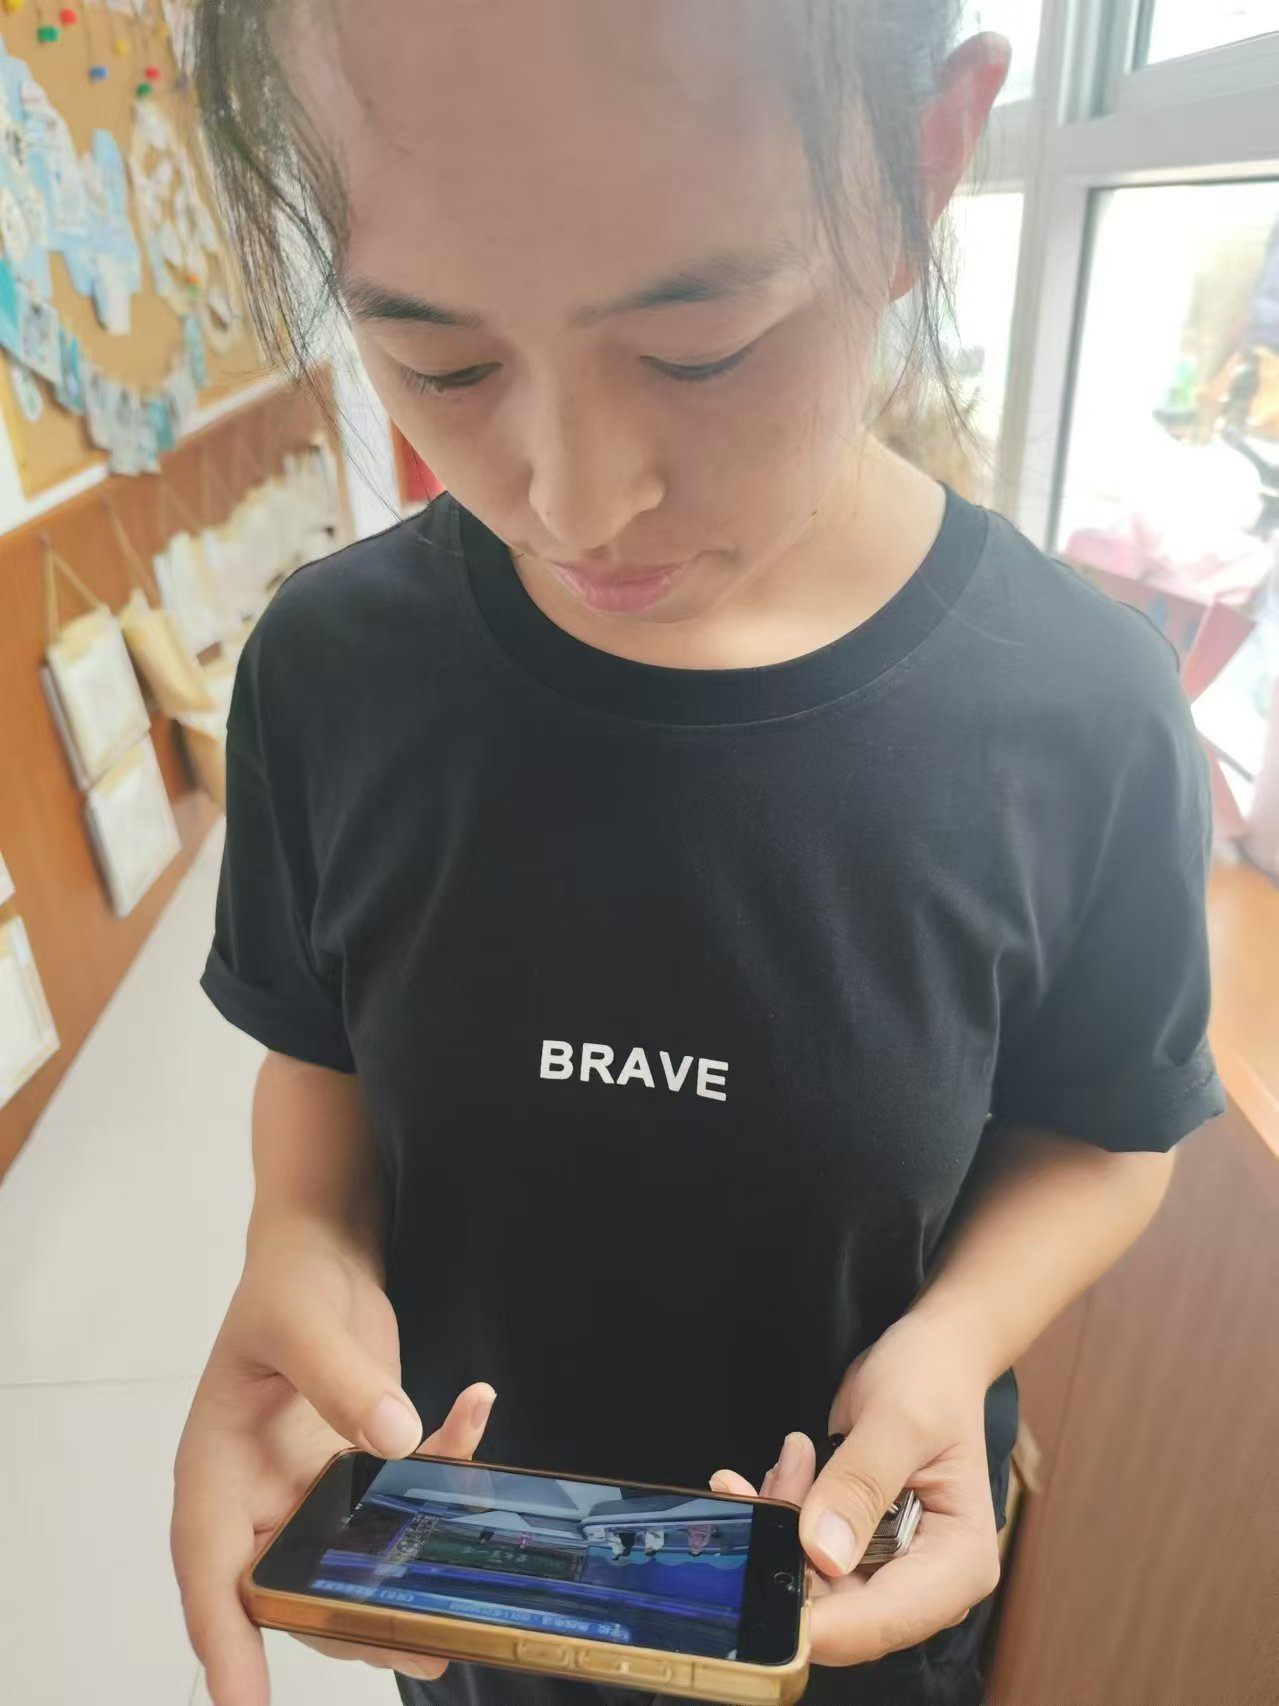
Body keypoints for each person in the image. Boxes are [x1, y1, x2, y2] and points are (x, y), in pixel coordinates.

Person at [171, 4, 1225, 1705]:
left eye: (701, 347)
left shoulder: (1084, 712)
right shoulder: (333, 672)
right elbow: (323, 1052)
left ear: (924, 167)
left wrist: (956, 1338)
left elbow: (1108, 1125)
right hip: (469, 1573)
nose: (576, 503)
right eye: (443, 366)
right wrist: (299, 1233)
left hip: (844, 1594)